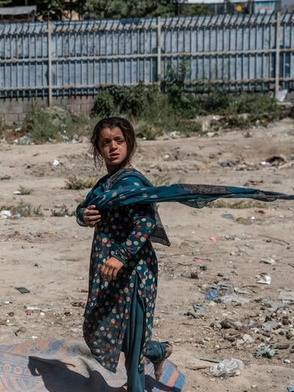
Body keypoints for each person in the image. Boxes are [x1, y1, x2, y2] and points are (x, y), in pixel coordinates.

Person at [76, 116, 172, 392]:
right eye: (106, 142)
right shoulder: (105, 184)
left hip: (135, 271)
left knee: (132, 347)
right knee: (112, 332)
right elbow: (83, 207)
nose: (113, 147)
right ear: (98, 148)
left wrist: (120, 256)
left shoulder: (132, 182)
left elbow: (145, 223)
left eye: (119, 141)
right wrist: (84, 215)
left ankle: (137, 386)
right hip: (109, 271)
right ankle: (157, 351)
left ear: (129, 143)